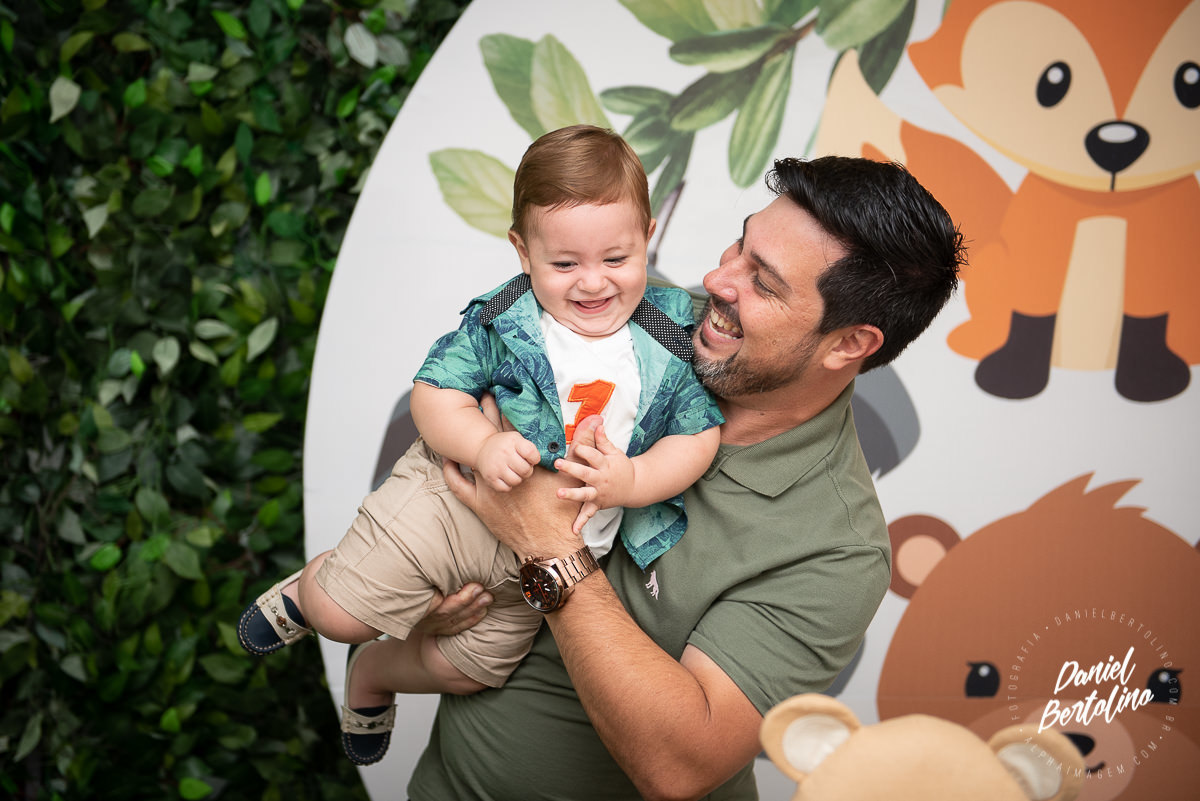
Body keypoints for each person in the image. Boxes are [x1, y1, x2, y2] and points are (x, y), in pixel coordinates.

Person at [352, 155, 966, 800]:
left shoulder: (837, 549)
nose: (716, 279)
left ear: (848, 345)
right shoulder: (637, 319)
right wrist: (432, 594)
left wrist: (549, 548)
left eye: (765, 283)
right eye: (740, 245)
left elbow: (680, 765)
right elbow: (452, 411)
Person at [236, 125, 723, 765]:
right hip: (456, 501)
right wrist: (483, 443)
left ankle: (374, 673)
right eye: (565, 263)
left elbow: (698, 434)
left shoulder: (669, 334)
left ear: (648, 237)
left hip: (551, 561)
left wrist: (631, 483)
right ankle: (313, 590)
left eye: (615, 259)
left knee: (471, 667)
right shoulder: (505, 317)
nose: (594, 283)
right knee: (342, 615)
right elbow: (433, 393)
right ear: (523, 251)